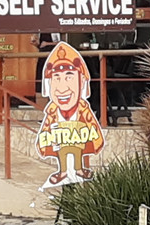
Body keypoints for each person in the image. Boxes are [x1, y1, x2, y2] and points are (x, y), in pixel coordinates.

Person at [35, 42, 104, 188]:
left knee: (77, 152)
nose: (62, 88)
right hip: (60, 145)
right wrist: (49, 141)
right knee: (62, 153)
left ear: (82, 81)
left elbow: (96, 137)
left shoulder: (84, 110)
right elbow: (43, 140)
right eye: (56, 78)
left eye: (69, 77)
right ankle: (63, 172)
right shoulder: (52, 112)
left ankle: (78, 170)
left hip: (78, 144)